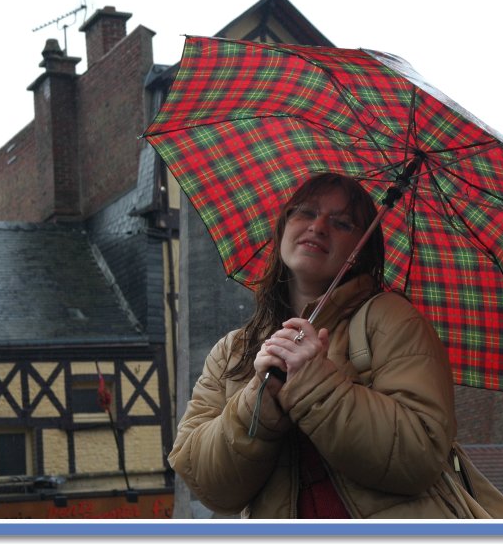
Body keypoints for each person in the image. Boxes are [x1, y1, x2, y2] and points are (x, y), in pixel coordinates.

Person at [168, 172, 458, 518]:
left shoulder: (393, 321)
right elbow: (205, 482)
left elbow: (421, 454)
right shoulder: (234, 350)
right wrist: (259, 402)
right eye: (305, 212)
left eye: (342, 223)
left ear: (361, 248)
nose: (318, 226)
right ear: (283, 226)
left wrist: (315, 384)